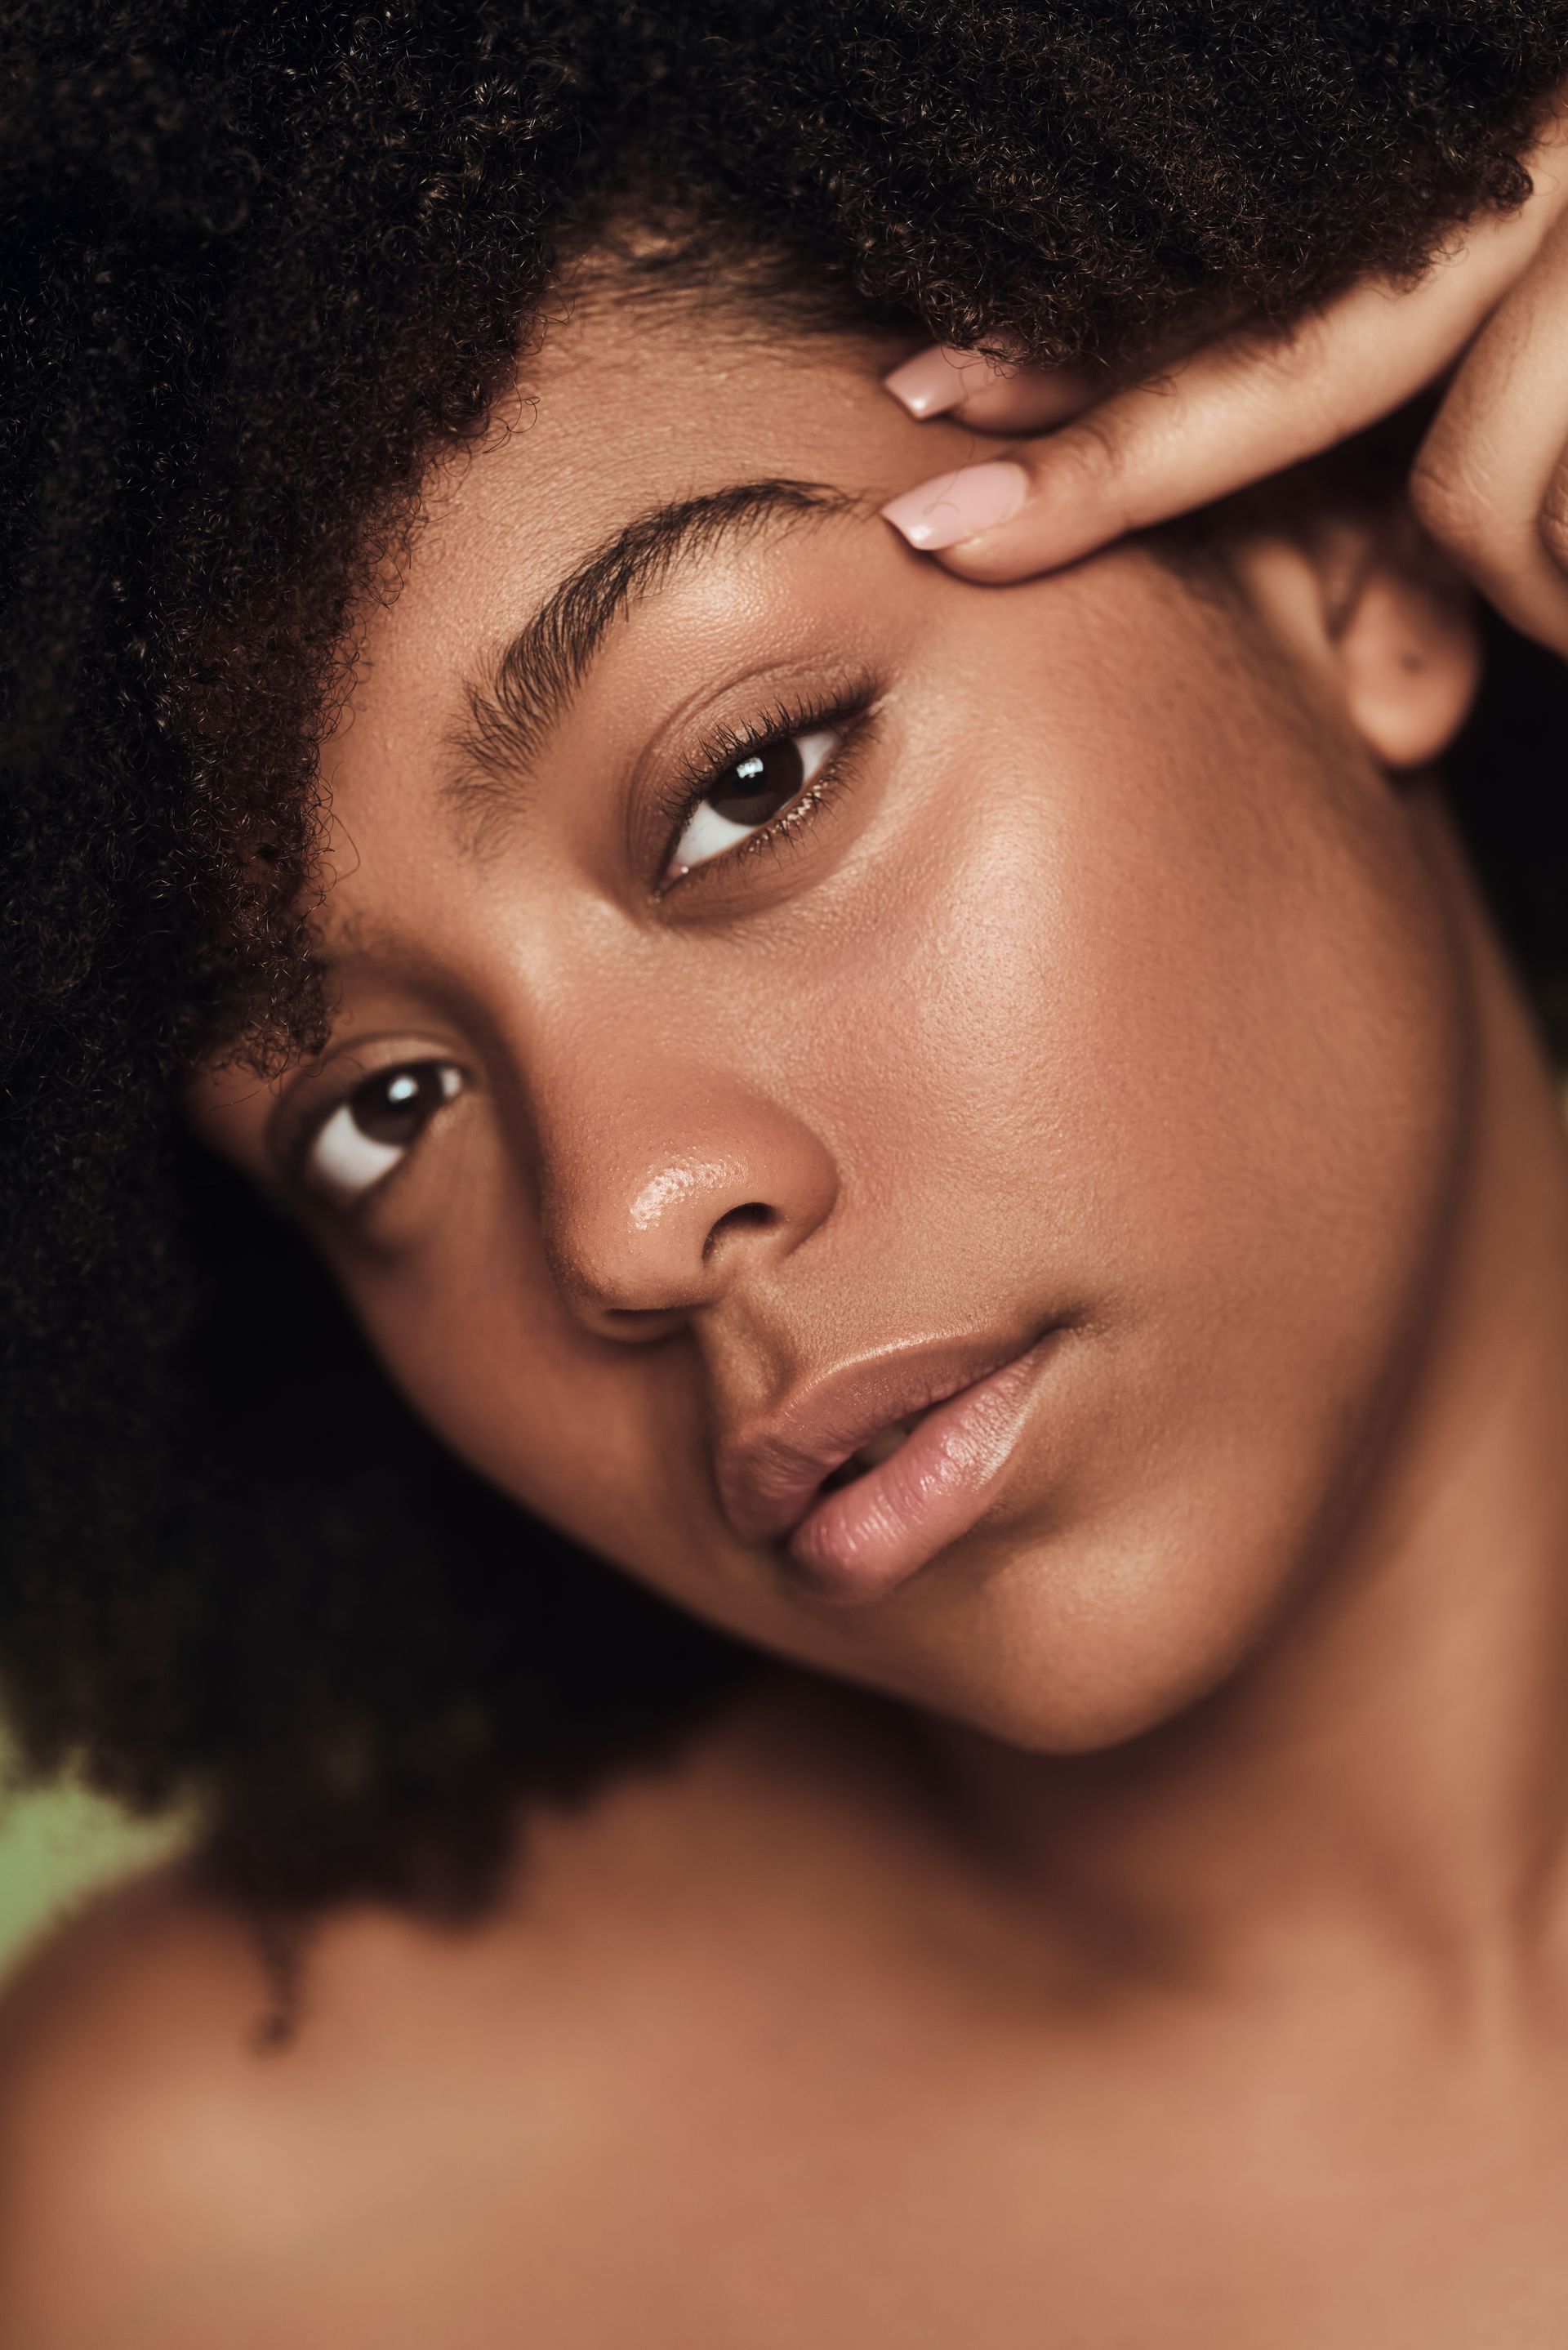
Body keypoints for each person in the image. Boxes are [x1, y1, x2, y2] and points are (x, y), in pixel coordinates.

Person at [3, 4, 1568, 2340]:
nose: (627, 1221)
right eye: (379, 1111)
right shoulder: (243, 2226)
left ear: (1339, 565)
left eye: (750, 784)